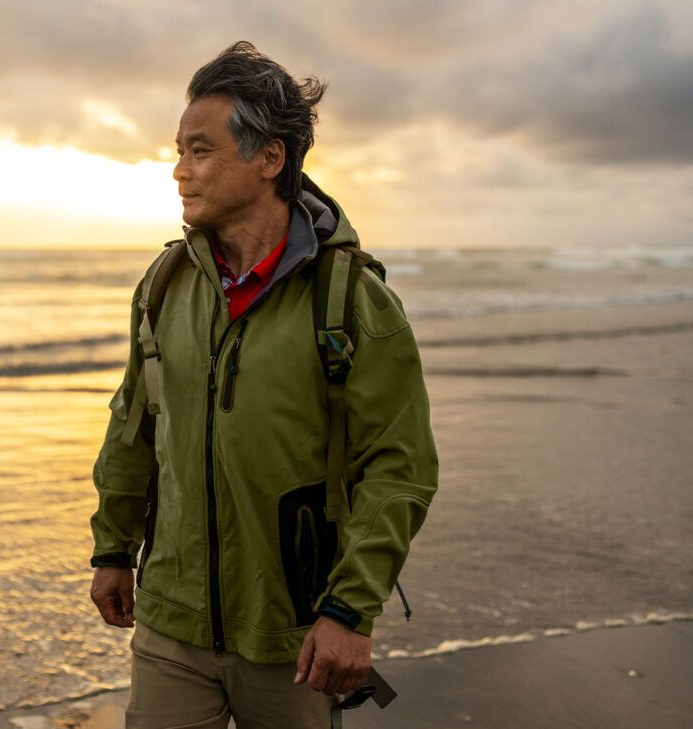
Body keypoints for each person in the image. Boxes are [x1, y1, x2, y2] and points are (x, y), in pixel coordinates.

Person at [88, 41, 439, 729]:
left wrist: (348, 610)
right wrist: (111, 547)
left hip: (296, 637)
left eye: (200, 150)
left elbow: (400, 467)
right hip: (171, 623)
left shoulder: (352, 302)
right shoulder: (163, 287)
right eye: (179, 150)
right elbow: (134, 423)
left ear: (270, 158)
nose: (179, 171)